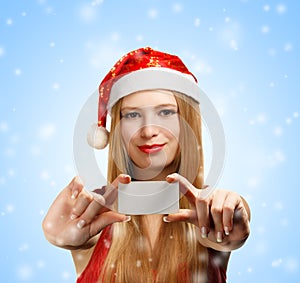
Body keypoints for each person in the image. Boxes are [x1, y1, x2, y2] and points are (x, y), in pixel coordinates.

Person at [42, 47, 251, 283]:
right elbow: (79, 239)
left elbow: (230, 231)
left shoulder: (212, 213)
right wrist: (60, 237)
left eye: (165, 112)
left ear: (188, 122)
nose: (149, 131)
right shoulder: (93, 219)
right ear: (116, 128)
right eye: (132, 115)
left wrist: (226, 223)